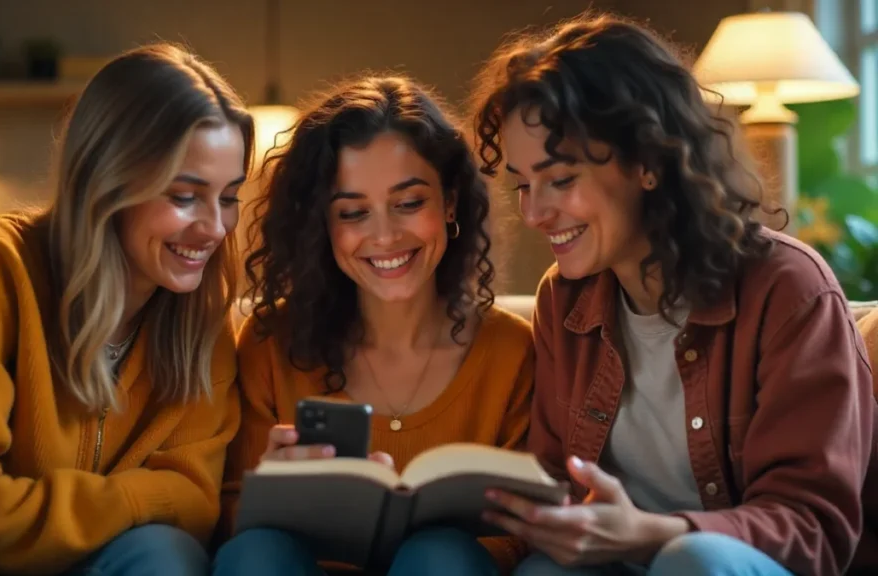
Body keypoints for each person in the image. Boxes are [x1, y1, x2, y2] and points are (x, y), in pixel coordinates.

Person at [468, 12, 878, 576]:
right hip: (622, 564)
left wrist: (651, 534)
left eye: (560, 179)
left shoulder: (788, 290)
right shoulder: (564, 301)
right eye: (522, 183)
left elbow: (814, 529)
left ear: (649, 163)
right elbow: (554, 480)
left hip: (724, 563)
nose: (535, 213)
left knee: (692, 559)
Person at [0, 43, 251, 576]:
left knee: (164, 552)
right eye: (184, 196)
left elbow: (194, 504)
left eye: (228, 197)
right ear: (107, 181)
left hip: (86, 558)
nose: (215, 228)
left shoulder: (204, 313)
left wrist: (53, 514)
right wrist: (131, 501)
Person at [211, 76, 535, 575]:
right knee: (257, 551)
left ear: (449, 202)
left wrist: (419, 545)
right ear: (322, 222)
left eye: (409, 203)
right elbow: (227, 528)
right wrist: (270, 495)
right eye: (353, 212)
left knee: (440, 555)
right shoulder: (268, 342)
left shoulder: (512, 351)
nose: (384, 236)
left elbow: (522, 537)